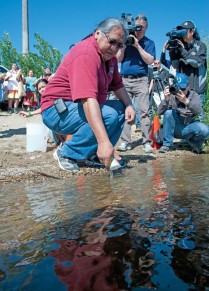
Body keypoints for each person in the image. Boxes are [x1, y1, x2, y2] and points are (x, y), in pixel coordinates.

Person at [41, 18, 135, 172]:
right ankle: (66, 153)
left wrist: (130, 105)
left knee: (120, 108)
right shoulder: (86, 53)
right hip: (55, 109)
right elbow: (88, 99)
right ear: (97, 33)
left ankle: (93, 155)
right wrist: (104, 142)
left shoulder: (109, 58)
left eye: (119, 45)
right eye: (112, 42)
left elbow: (117, 84)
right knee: (109, 115)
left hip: (76, 107)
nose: (114, 49)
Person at [116, 13, 155, 153]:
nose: (139, 30)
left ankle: (147, 142)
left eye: (142, 27)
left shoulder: (149, 43)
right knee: (124, 110)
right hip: (125, 79)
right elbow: (118, 59)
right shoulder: (124, 41)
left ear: (146, 27)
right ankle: (125, 141)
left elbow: (150, 61)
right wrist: (125, 45)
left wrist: (137, 46)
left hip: (142, 79)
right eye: (137, 27)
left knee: (144, 111)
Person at [158, 73, 209, 154]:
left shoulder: (194, 95)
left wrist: (186, 102)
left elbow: (199, 110)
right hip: (175, 128)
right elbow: (159, 112)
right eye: (179, 88)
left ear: (188, 85)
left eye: (183, 88)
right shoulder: (172, 95)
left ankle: (194, 143)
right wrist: (166, 100)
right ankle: (167, 145)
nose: (181, 91)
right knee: (168, 112)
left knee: (205, 130)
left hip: (188, 128)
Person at [167, 20, 207, 106]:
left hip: (197, 91)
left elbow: (197, 62)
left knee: (199, 117)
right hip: (183, 90)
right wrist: (172, 51)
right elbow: (175, 65)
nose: (183, 33)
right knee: (182, 117)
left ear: (192, 31)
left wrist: (182, 51)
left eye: (185, 30)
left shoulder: (200, 46)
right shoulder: (181, 47)